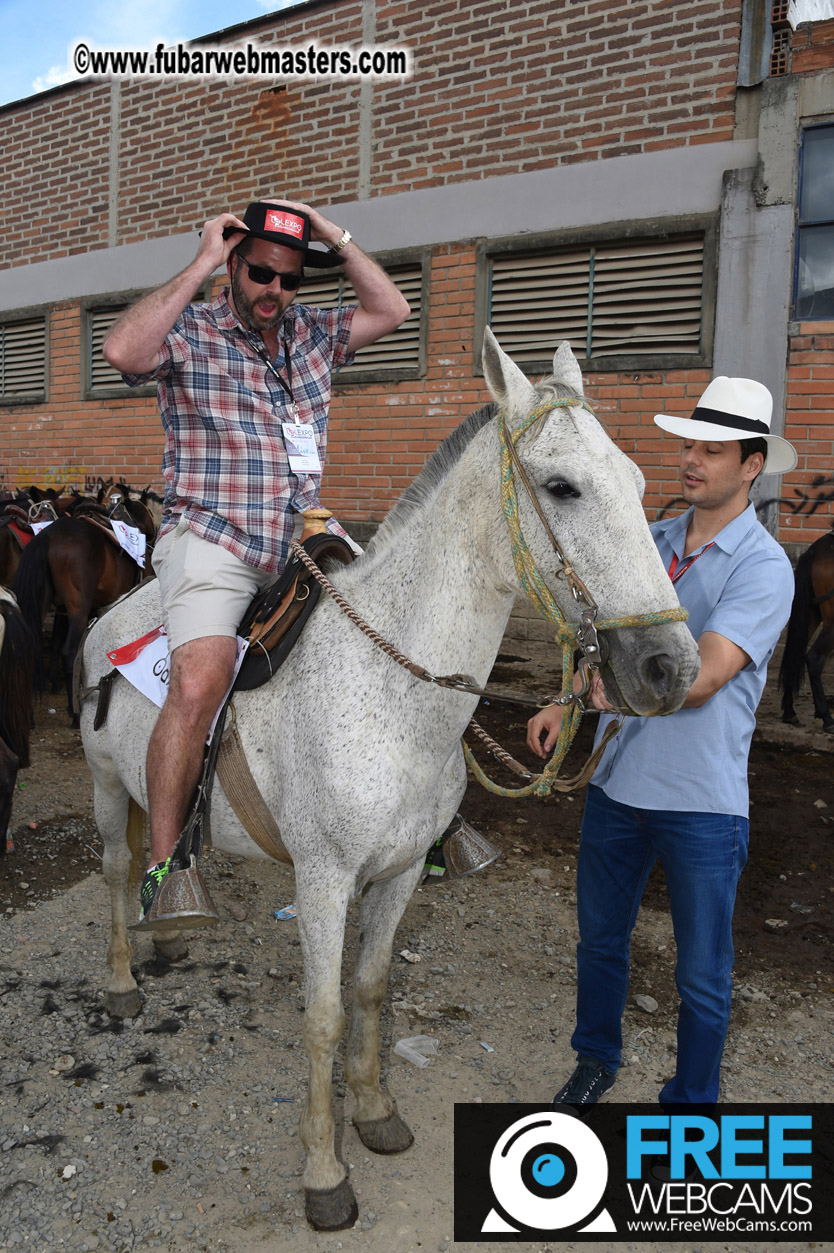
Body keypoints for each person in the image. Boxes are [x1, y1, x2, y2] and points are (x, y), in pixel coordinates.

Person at [104, 198, 410, 927]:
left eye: (291, 279)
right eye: (262, 273)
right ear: (237, 267)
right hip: (213, 537)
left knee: (401, 624)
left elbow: (392, 308)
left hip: (300, 533)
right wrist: (203, 259)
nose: (275, 290)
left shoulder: (311, 334)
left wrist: (334, 234)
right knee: (202, 676)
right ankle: (167, 868)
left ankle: (426, 827)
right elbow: (122, 352)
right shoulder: (192, 331)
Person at [526, 377, 797, 1110]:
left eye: (713, 450)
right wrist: (569, 697)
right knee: (600, 943)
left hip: (701, 801)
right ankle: (595, 1060)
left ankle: (692, 1102)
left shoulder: (763, 566)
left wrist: (610, 692)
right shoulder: (653, 540)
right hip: (618, 784)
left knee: (702, 971)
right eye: (688, 445)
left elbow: (705, 675)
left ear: (752, 465)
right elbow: (600, 643)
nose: (692, 460)